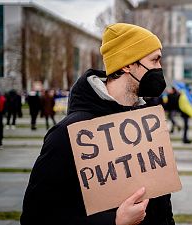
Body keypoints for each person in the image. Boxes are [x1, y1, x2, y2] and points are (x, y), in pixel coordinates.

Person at [21, 23, 173, 225]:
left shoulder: (147, 125)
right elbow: (36, 216)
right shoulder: (68, 133)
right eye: (154, 60)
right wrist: (114, 222)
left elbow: (162, 208)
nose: (159, 69)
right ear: (127, 65)